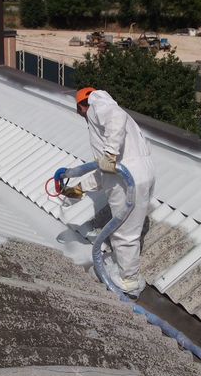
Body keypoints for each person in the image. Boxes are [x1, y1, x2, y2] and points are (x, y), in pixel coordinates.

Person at [63, 87, 155, 297]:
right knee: (128, 229)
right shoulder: (106, 117)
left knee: (124, 233)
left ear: (81, 105)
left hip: (128, 177)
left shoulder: (97, 104)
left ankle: (128, 283)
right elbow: (105, 171)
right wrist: (80, 189)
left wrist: (111, 153)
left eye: (79, 112)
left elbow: (116, 117)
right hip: (140, 171)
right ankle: (125, 269)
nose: (82, 117)